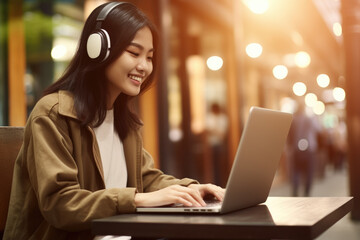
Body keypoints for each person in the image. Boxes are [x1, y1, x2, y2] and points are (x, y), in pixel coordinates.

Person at [3, 2, 224, 240]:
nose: (144, 66)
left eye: (149, 57)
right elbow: (61, 204)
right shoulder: (52, 114)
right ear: (97, 48)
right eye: (133, 53)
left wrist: (190, 189)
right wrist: (137, 199)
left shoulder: (124, 122)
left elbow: (147, 179)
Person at [287, 102, 321, 197]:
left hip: (295, 149)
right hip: (309, 149)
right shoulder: (310, 119)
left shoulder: (292, 119)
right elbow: (319, 129)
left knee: (296, 171)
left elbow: (289, 135)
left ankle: (295, 192)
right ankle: (307, 193)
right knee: (309, 172)